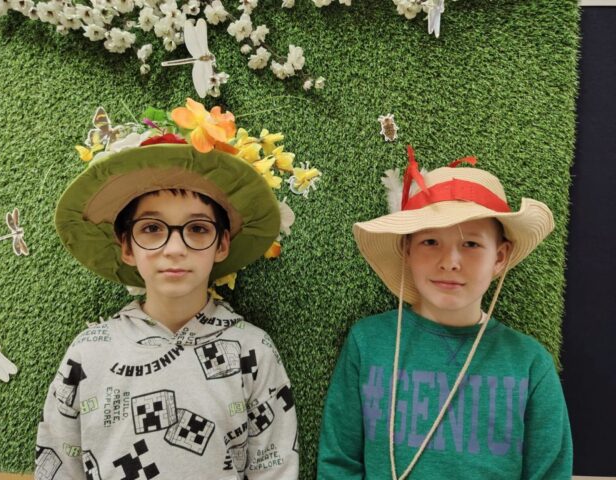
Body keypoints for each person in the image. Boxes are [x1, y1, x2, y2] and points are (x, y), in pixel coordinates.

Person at [35, 99, 299, 480]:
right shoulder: (88, 352)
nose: (174, 248)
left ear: (222, 244)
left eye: (197, 229)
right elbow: (59, 467)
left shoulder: (252, 351)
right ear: (127, 246)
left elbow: (276, 471)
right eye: (152, 228)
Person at [317, 147, 572, 479]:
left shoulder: (530, 363)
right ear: (407, 249)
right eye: (430, 242)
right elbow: (338, 463)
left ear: (499, 257)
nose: (450, 262)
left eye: (471, 244)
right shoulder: (367, 343)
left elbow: (550, 472)